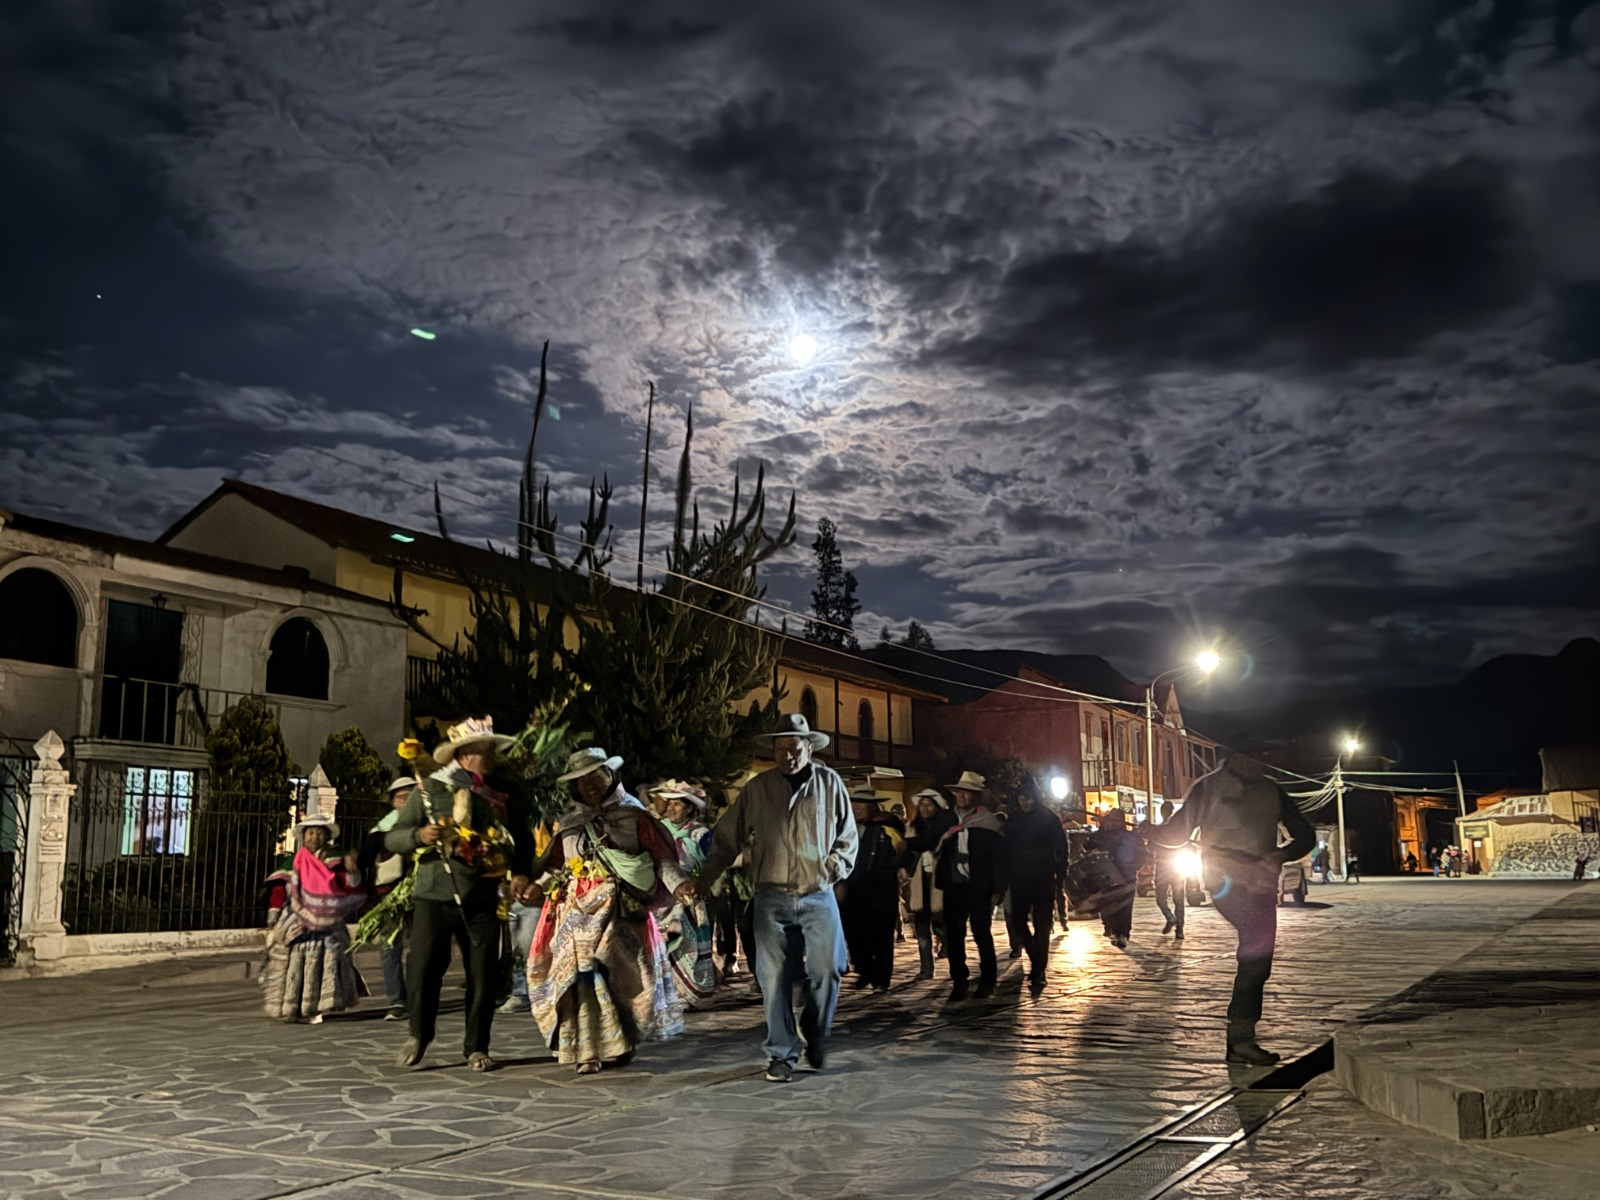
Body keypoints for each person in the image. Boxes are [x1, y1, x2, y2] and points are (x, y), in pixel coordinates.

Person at [699, 714, 857, 1083]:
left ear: (809, 749)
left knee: (829, 969)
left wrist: (832, 868)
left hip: (818, 893)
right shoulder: (757, 788)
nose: (787, 754)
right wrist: (705, 880)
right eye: (780, 748)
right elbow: (726, 839)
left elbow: (848, 836)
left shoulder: (830, 783)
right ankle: (782, 1053)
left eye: (794, 747)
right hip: (771, 896)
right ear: (773, 751)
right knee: (772, 978)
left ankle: (815, 1028)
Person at [524, 749, 696, 1075]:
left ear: (611, 776)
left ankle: (622, 1040)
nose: (590, 785)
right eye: (582, 780)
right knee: (581, 979)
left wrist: (679, 885)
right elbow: (558, 867)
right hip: (576, 915)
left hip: (620, 912)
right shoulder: (571, 824)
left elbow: (661, 859)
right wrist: (537, 886)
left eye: (596, 777)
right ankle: (587, 1050)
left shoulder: (634, 817)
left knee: (619, 979)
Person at [387, 716, 533, 1073]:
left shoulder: (498, 794)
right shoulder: (429, 791)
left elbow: (521, 836)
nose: (491, 756)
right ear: (464, 755)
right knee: (423, 969)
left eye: (491, 750)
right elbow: (394, 837)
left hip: (482, 896)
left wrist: (521, 871)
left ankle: (477, 1046)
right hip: (434, 896)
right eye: (484, 750)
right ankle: (419, 1034)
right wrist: (419, 836)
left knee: (483, 975)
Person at [1162, 753, 1315, 1065]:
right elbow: (1177, 833)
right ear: (1235, 757)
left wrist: (1279, 855)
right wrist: (1153, 832)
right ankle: (1241, 1039)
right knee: (1255, 950)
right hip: (1225, 881)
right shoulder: (1208, 788)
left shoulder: (1271, 790)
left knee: (1259, 959)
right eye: (1256, 757)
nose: (1263, 765)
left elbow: (1306, 836)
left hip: (1262, 884)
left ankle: (1241, 1039)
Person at [261, 814, 368, 1024]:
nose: (314, 837)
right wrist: (274, 915)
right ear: (303, 837)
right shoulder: (293, 862)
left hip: (328, 921)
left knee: (325, 961)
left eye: (319, 833)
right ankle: (293, 1007)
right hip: (297, 920)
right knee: (294, 963)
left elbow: (348, 886)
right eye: (310, 833)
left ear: (327, 837)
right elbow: (279, 890)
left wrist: (353, 871)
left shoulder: (336, 860)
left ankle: (315, 1007)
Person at [911, 770, 1006, 1002]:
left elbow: (999, 857)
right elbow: (928, 840)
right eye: (959, 792)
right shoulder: (946, 819)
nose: (961, 796)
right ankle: (959, 982)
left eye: (967, 793)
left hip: (979, 885)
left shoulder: (988, 821)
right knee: (954, 936)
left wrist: (998, 887)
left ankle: (988, 981)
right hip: (953, 884)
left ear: (977, 796)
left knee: (981, 933)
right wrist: (904, 845)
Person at [654, 780, 719, 1008]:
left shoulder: (700, 833)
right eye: (669, 803)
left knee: (687, 946)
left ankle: (687, 993)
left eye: (678, 804)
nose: (671, 808)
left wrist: (703, 884)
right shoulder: (658, 829)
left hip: (690, 897)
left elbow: (713, 862)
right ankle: (665, 994)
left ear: (690, 808)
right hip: (661, 896)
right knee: (662, 943)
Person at [839, 786, 906, 994]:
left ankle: (881, 980)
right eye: (853, 803)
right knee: (854, 933)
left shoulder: (887, 827)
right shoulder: (845, 827)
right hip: (853, 889)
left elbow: (902, 852)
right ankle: (865, 970)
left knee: (882, 936)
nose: (856, 807)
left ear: (872, 806)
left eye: (861, 803)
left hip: (881, 889)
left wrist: (900, 868)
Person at [361, 777, 418, 1020]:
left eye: (410, 797)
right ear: (393, 802)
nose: (405, 802)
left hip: (420, 897)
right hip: (388, 898)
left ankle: (418, 996)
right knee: (390, 949)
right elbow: (364, 858)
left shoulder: (426, 826)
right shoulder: (381, 830)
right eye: (400, 797)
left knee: (421, 949)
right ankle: (397, 1001)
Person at [1004, 785, 1067, 988]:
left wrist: (1060, 874)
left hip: (1043, 878)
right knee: (1017, 921)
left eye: (1030, 798)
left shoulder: (1049, 818)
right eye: (1023, 798)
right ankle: (1036, 959)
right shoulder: (1014, 819)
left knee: (1043, 925)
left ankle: (1039, 970)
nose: (1027, 802)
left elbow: (1061, 847)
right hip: (1019, 879)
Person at [903, 788, 953, 981]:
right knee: (921, 923)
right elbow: (908, 853)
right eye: (921, 805)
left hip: (939, 876)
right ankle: (926, 968)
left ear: (937, 806)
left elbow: (927, 843)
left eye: (929, 805)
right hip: (919, 877)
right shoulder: (913, 827)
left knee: (940, 918)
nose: (924, 808)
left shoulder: (943, 826)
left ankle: (949, 951)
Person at [1090, 810, 1142, 949]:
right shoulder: (1103, 835)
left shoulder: (1130, 837)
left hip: (1126, 876)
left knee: (1124, 907)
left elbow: (1141, 855)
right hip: (1108, 877)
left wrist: (1133, 867)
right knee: (1110, 906)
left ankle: (1122, 933)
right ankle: (1116, 931)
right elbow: (1090, 847)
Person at [1149, 800, 1187, 941]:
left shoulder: (1177, 830)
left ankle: (1179, 928)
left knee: (1177, 900)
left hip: (1174, 868)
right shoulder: (1159, 829)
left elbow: (1187, 845)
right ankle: (1171, 918)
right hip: (1165, 868)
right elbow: (1151, 847)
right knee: (1163, 899)